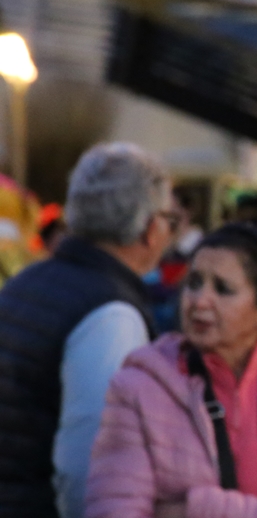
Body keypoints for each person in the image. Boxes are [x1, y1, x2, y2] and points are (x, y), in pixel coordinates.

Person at [84, 223, 257, 518]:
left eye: (223, 289)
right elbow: (115, 509)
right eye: (194, 283)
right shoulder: (139, 387)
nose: (199, 300)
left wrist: (198, 508)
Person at [0, 142, 174, 518]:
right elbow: (90, 470)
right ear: (149, 228)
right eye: (168, 219)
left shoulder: (25, 282)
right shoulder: (111, 316)